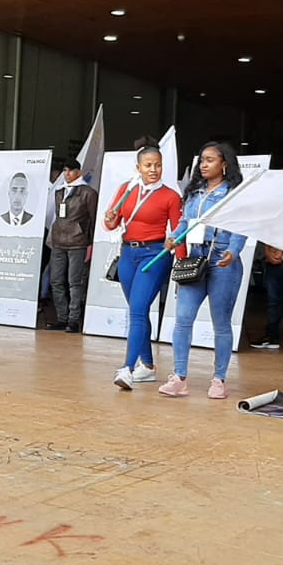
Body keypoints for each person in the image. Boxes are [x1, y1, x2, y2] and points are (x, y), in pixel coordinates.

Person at [161, 142, 246, 398]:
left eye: (210, 160)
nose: (204, 164)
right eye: (202, 160)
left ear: (225, 164)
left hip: (222, 261)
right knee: (183, 319)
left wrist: (233, 251)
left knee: (221, 323)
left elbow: (239, 226)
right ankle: (179, 377)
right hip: (195, 259)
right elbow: (185, 223)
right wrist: (174, 237)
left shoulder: (234, 193)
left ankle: (219, 379)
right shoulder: (195, 192)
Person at [104, 138, 183, 391]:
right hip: (128, 254)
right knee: (138, 311)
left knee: (137, 310)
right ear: (138, 167)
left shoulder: (170, 196)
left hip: (155, 255)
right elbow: (112, 224)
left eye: (157, 165)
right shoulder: (126, 189)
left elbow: (179, 231)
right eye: (148, 165)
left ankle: (127, 369)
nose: (153, 170)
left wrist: (181, 260)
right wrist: (109, 218)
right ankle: (147, 366)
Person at [46, 159, 97, 332]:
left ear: (78, 172)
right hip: (59, 240)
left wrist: (89, 241)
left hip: (78, 241)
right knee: (56, 280)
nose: (67, 174)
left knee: (74, 282)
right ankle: (62, 317)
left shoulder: (88, 193)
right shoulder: (59, 191)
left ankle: (73, 320)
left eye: (70, 171)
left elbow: (93, 218)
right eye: (65, 170)